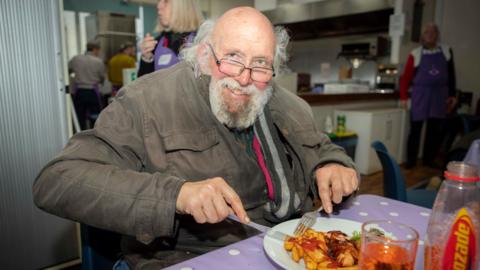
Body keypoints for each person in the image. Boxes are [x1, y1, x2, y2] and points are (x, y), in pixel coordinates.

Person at [34, 7, 359, 269]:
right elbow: (57, 181)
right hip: (187, 259)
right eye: (232, 57)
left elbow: (320, 146)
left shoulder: (287, 103)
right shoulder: (146, 101)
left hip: (292, 251)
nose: (244, 78)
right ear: (204, 55)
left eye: (260, 64)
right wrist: (177, 194)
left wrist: (331, 163)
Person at [399, 22, 457, 169]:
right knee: (415, 129)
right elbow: (405, 78)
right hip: (420, 94)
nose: (430, 34)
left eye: (433, 31)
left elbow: (451, 75)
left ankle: (428, 159)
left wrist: (452, 95)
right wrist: (404, 97)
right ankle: (411, 161)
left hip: (440, 94)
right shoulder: (415, 53)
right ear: (422, 36)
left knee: (434, 130)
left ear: (437, 35)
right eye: (427, 32)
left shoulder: (446, 51)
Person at [137, 0, 204, 77]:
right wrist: (147, 58)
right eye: (159, 1)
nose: (158, 6)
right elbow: (143, 85)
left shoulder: (203, 40)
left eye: (166, 1)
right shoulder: (156, 43)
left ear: (183, 5)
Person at [68, 40, 105, 130]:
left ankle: (80, 135)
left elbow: (68, 71)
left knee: (79, 116)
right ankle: (94, 135)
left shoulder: (76, 59)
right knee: (95, 116)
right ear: (95, 49)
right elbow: (102, 77)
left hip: (79, 92)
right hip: (92, 92)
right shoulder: (98, 61)